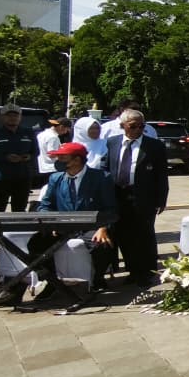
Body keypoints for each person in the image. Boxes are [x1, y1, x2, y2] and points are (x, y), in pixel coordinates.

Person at [28, 142, 118, 296]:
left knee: (103, 245)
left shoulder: (101, 177)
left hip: (90, 227)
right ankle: (52, 281)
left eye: (63, 157)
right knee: (35, 245)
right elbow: (45, 205)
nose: (58, 160)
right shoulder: (55, 178)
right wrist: (52, 223)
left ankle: (97, 279)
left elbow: (110, 208)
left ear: (77, 160)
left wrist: (102, 228)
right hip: (62, 226)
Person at [104, 109, 169, 287]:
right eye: (133, 126)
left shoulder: (154, 146)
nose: (137, 130)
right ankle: (132, 270)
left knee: (144, 234)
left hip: (143, 196)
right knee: (123, 235)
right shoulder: (112, 143)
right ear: (122, 126)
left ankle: (147, 272)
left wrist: (161, 200)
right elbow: (106, 167)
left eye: (141, 126)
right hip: (118, 195)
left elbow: (161, 176)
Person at [0, 103, 40, 212]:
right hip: (1, 178)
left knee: (20, 207)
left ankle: (18, 228)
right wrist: (5, 157)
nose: (13, 118)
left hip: (23, 176)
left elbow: (36, 151)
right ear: (2, 117)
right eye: (9, 115)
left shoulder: (28, 132)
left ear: (20, 117)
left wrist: (28, 156)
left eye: (16, 115)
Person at [35, 118, 71, 186]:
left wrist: (60, 147)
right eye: (67, 130)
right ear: (61, 127)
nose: (66, 132)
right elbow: (51, 153)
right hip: (52, 168)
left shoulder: (41, 134)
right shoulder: (53, 137)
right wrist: (64, 151)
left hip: (42, 167)